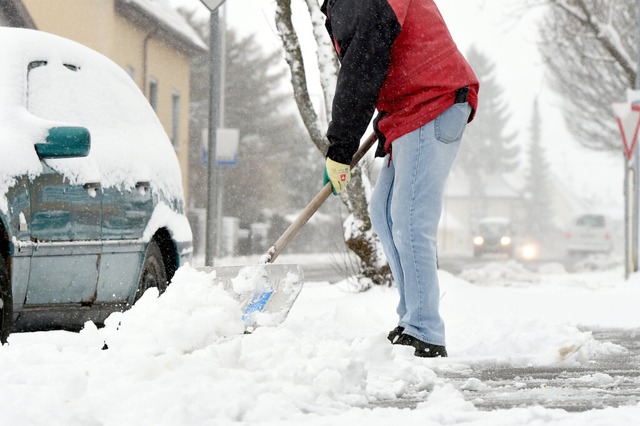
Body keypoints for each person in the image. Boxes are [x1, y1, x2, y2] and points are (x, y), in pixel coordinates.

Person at [321, 0, 479, 357]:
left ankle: (425, 330)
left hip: (433, 100)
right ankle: (412, 319)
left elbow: (361, 67)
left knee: (410, 219)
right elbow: (377, 60)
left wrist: (340, 148)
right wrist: (381, 116)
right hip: (411, 107)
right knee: (383, 211)